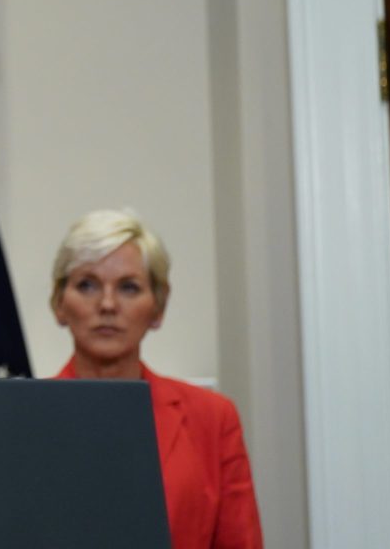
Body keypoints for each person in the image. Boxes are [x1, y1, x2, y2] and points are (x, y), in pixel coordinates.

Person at [49, 209, 263, 549]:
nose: (107, 304)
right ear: (59, 303)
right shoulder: (22, 418)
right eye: (87, 284)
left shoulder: (213, 419)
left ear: (158, 308)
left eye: (129, 287)